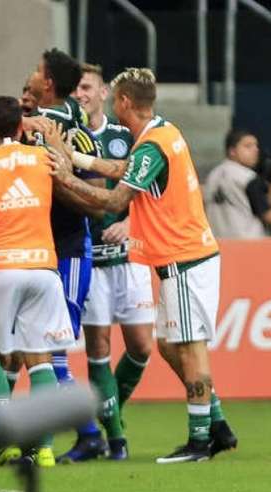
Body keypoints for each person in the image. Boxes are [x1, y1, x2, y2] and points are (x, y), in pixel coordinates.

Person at [48, 67, 238, 463]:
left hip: (184, 258)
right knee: (170, 346)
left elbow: (116, 201)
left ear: (123, 102)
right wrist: (79, 156)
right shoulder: (162, 132)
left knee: (190, 347)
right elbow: (124, 169)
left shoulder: (152, 145)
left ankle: (200, 440)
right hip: (180, 257)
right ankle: (216, 422)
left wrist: (66, 178)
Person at [0, 96, 73, 468]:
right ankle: (42, 448)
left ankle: (7, 443)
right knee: (40, 355)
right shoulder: (44, 160)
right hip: (44, 266)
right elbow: (69, 173)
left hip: (1, 265)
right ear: (22, 126)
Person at [24, 48, 107, 462]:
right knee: (42, 348)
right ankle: (81, 434)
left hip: (70, 250)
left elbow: (40, 124)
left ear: (49, 84)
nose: (32, 78)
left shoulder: (52, 121)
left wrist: (18, 118)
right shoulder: (68, 112)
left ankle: (86, 434)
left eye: (37, 73)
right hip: (46, 247)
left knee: (53, 349)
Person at [73, 63, 154, 459]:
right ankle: (116, 438)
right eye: (76, 89)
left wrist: (131, 223)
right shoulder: (65, 139)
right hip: (91, 259)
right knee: (99, 346)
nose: (81, 94)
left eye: (87, 87)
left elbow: (152, 188)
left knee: (141, 345)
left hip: (131, 254)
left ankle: (110, 410)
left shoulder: (126, 136)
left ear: (104, 92)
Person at [203, 129, 271, 238]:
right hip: (249, 245)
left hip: (218, 244)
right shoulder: (247, 177)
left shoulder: (212, 176)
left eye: (256, 146)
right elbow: (270, 216)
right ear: (232, 151)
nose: (255, 150)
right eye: (248, 146)